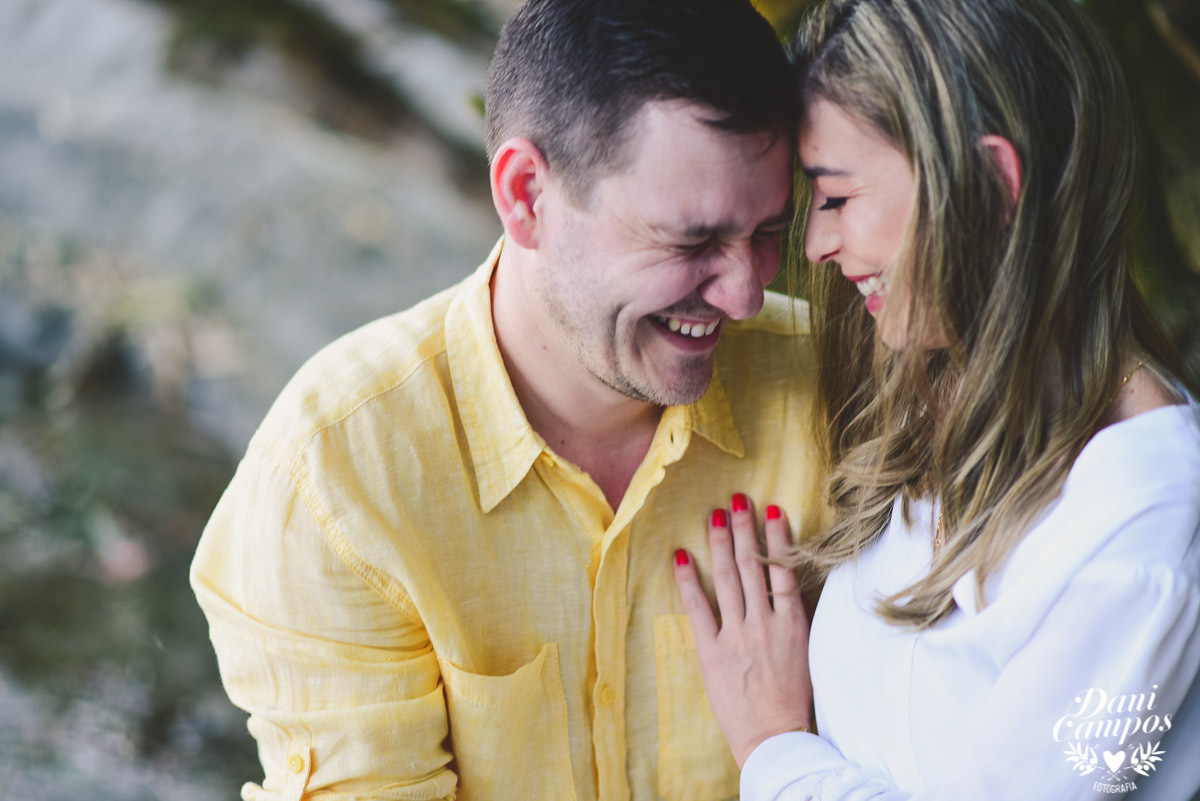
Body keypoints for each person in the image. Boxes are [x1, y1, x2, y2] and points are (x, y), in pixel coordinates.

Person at [190, 1, 829, 799]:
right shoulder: (338, 476)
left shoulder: (838, 395)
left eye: (768, 230)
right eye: (692, 241)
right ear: (526, 193)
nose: (742, 293)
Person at [671, 0, 1200, 799]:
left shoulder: (1144, 540)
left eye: (838, 197)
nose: (814, 244)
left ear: (991, 184)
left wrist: (774, 747)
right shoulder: (937, 382)